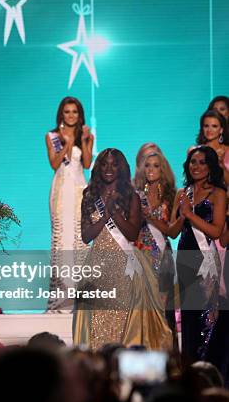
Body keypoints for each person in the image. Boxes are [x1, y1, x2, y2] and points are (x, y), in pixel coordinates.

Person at [73, 148, 172, 350]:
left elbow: (132, 234)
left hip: (125, 266)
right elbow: (86, 236)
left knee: (124, 320)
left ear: (121, 168)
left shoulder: (131, 197)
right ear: (98, 168)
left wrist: (115, 214)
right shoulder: (89, 196)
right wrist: (104, 217)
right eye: (104, 164)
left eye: (114, 164)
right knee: (97, 319)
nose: (109, 168)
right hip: (98, 263)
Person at [168, 146, 225, 363]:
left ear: (210, 166)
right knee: (190, 320)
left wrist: (190, 214)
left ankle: (209, 370)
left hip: (206, 261)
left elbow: (217, 231)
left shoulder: (218, 194)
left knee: (207, 318)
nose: (197, 166)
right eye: (193, 162)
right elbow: (173, 232)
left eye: (202, 162)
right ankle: (190, 369)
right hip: (185, 260)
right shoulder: (183, 194)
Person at [45, 96, 94, 311]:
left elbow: (86, 163)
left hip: (80, 188)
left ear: (80, 114)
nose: (71, 115)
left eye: (75, 111)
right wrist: (65, 144)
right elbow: (54, 163)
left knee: (79, 239)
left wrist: (83, 141)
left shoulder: (86, 134)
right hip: (61, 189)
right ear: (61, 114)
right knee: (62, 238)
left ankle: (78, 298)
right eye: (67, 111)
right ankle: (60, 299)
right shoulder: (53, 136)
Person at [133, 148, 178, 345]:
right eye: (147, 166)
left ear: (163, 170)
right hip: (140, 255)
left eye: (156, 166)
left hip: (162, 257)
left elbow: (172, 230)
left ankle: (166, 357)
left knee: (162, 310)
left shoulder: (171, 196)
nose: (151, 170)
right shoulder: (135, 195)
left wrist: (149, 216)